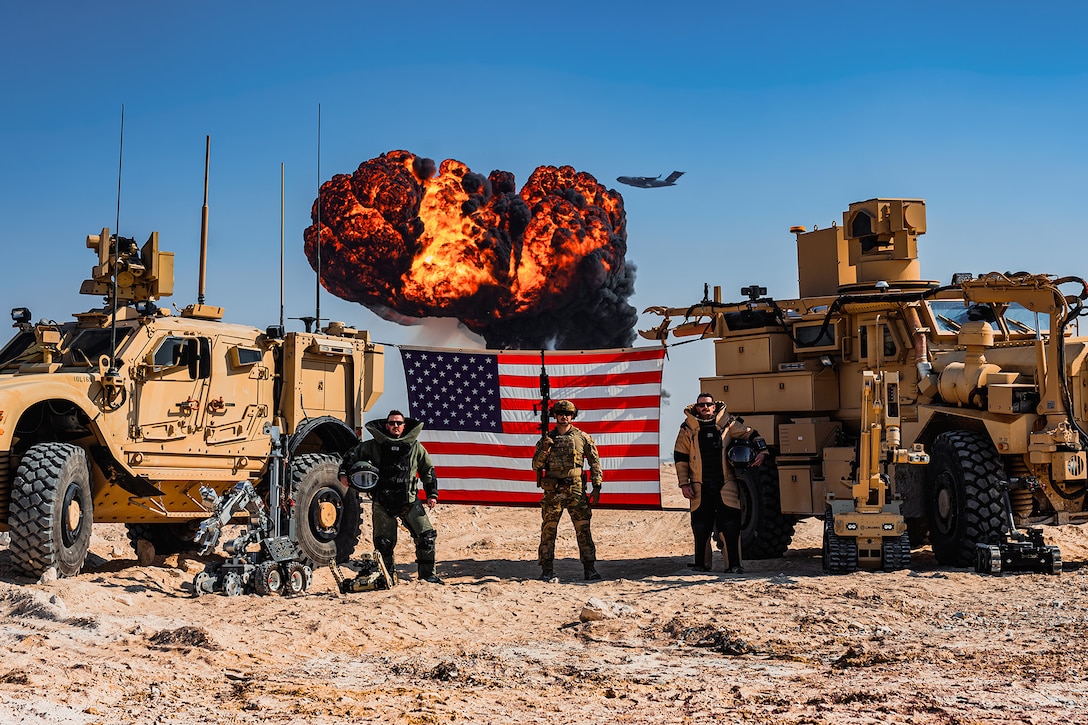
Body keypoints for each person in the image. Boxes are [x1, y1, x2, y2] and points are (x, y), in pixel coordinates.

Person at [338, 410, 443, 584]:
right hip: (382, 501)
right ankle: (387, 577)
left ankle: (428, 575)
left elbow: (427, 470)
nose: (395, 426)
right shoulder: (373, 446)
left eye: (399, 423)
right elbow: (351, 456)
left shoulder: (416, 447)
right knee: (383, 543)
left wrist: (432, 494)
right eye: (392, 423)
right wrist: (343, 473)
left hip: (409, 501)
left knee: (427, 537)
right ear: (386, 425)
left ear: (404, 426)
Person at [673, 392, 768, 573]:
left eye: (708, 404)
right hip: (699, 485)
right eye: (701, 405)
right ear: (696, 407)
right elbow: (680, 457)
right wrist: (684, 484)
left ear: (714, 406)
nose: (705, 408)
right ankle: (701, 564)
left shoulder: (727, 423)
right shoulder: (688, 428)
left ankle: (733, 565)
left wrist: (763, 452)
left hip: (726, 482)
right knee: (700, 526)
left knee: (731, 525)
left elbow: (752, 434)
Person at [531, 399, 603, 582]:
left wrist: (597, 486)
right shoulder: (547, 439)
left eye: (568, 414)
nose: (565, 416)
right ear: (555, 415)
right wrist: (545, 449)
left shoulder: (582, 437)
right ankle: (547, 569)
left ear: (573, 416)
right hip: (553, 491)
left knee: (583, 529)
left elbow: (594, 462)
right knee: (548, 530)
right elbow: (535, 465)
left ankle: (590, 568)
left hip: (576, 489)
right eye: (561, 413)